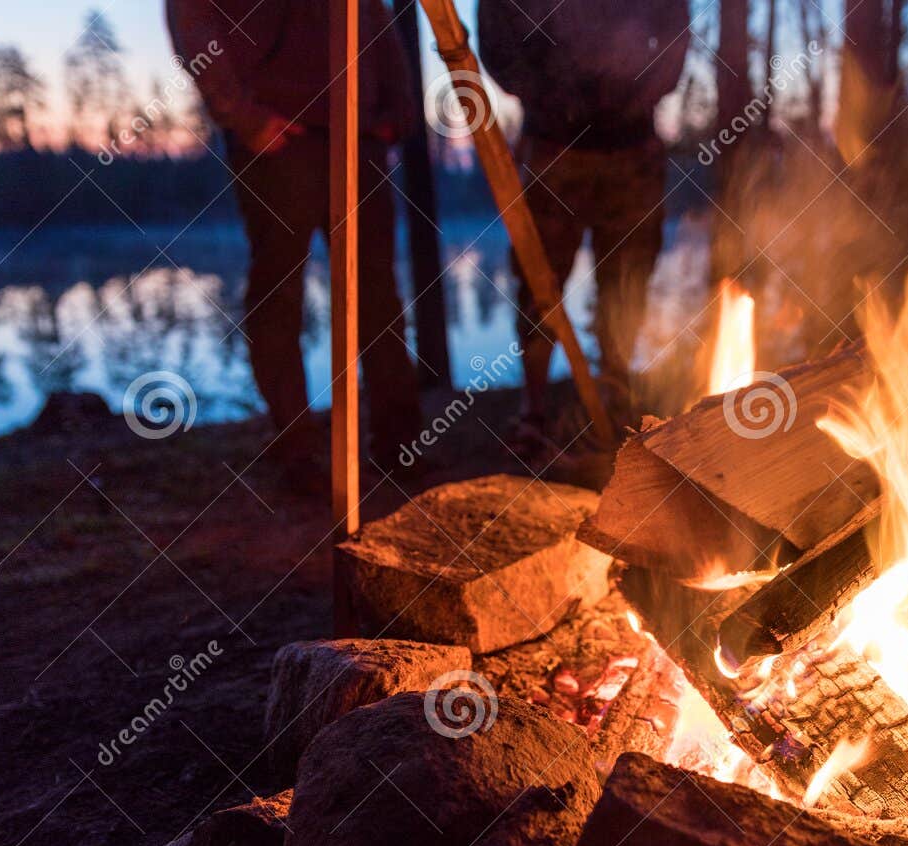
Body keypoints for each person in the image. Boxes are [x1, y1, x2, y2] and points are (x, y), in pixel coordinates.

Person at [166, 0, 420, 487]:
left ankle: (400, 446)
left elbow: (376, 20)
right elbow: (193, 19)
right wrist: (243, 116)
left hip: (358, 135)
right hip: (280, 136)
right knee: (279, 293)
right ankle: (298, 454)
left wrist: (396, 111)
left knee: (376, 292)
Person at [478, 0, 691, 440]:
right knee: (539, 279)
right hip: (554, 148)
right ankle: (535, 410)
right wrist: (554, 98)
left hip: (632, 147)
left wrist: (640, 94)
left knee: (628, 279)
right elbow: (497, 40)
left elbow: (674, 31)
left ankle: (615, 398)